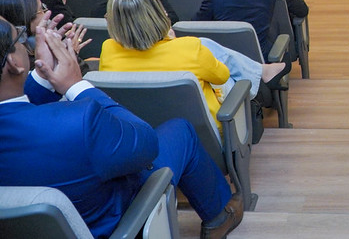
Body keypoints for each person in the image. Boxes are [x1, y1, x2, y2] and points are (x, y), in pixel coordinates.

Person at [0, 17, 244, 239]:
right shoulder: (80, 122)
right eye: (21, 37)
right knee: (181, 131)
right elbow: (146, 143)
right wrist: (77, 86)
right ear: (13, 62)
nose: (27, 43)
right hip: (115, 223)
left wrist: (42, 76)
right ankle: (219, 218)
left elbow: (15, 110)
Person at [100, 0, 291, 125]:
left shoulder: (108, 49)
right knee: (209, 52)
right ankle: (262, 73)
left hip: (140, 129)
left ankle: (262, 72)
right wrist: (173, 41)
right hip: (206, 133)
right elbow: (222, 76)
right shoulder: (190, 47)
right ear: (159, 15)